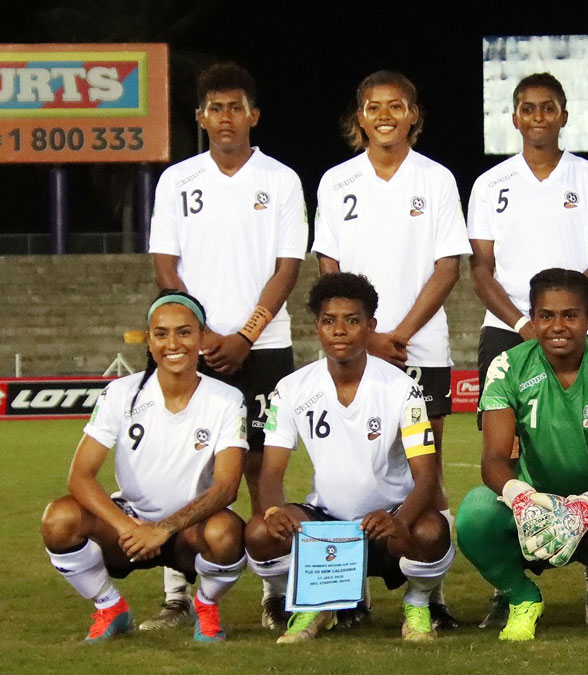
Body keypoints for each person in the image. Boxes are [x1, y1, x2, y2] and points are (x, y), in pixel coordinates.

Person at [147, 62, 306, 631]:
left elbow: (288, 268)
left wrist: (244, 335)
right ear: (200, 117)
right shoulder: (176, 180)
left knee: (263, 465)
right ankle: (177, 593)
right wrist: (201, 332)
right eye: (215, 108)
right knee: (185, 465)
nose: (225, 117)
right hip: (189, 345)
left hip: (264, 345)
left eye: (236, 107)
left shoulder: (281, 180)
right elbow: (165, 264)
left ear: (253, 115)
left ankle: (274, 590)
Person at [312, 70, 468, 629]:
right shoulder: (336, 181)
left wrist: (396, 334)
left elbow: (448, 267)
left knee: (428, 468)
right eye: (374, 106)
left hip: (420, 349)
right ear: (360, 117)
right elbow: (328, 265)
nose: (385, 115)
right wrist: (365, 336)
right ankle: (348, 594)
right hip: (355, 345)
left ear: (413, 114)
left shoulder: (437, 178)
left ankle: (431, 594)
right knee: (351, 468)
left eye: (396, 105)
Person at [467, 73, 588, 627]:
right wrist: (523, 323)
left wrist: (564, 317)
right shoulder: (490, 183)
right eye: (528, 108)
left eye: (548, 107)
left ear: (563, 114)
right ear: (514, 117)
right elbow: (480, 268)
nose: (538, 116)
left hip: (581, 327)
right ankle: (509, 585)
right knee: (507, 453)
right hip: (508, 330)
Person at [244, 273, 454, 643]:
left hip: (386, 521)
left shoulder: (402, 388)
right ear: (317, 327)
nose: (339, 330)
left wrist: (400, 520)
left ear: (370, 327)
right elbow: (271, 473)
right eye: (329, 321)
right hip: (326, 523)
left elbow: (425, 475)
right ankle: (315, 602)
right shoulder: (291, 389)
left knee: (432, 530)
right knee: (261, 531)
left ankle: (418, 603)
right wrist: (274, 511)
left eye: (352, 320)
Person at [456, 268, 588, 642]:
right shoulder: (507, 366)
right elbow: (494, 460)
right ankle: (521, 599)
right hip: (534, 506)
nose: (558, 326)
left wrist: (586, 508)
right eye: (546, 315)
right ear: (533, 318)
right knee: (474, 515)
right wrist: (522, 499)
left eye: (570, 315)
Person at [41, 291, 248, 643]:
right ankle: (110, 607)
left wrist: (163, 530)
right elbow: (80, 476)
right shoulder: (120, 392)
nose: (173, 344)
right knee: (58, 519)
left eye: (184, 332)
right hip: (131, 524)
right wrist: (127, 526)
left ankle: (206, 605)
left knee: (225, 533)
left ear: (202, 337)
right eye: (161, 333)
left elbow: (227, 487)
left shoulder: (227, 399)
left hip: (190, 528)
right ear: (149, 340)